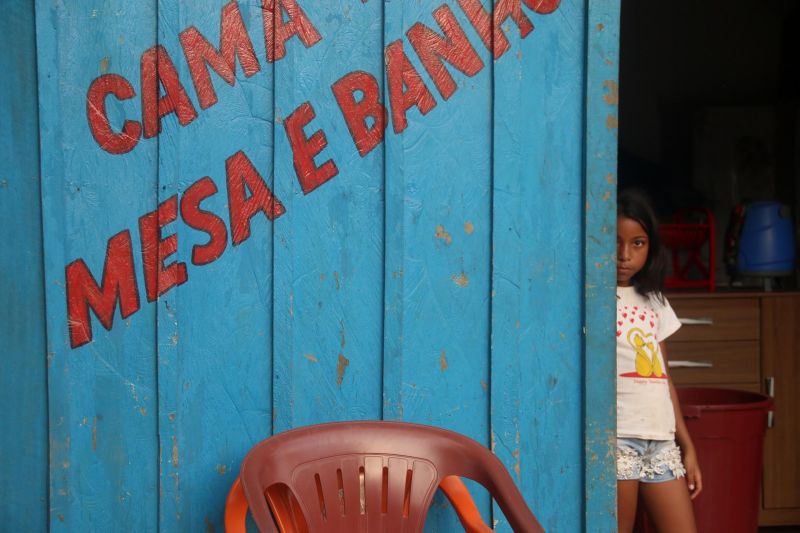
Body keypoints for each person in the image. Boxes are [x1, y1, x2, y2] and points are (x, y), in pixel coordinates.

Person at [615, 189, 703, 532]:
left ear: (651, 247)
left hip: (660, 440)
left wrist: (686, 444)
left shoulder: (654, 300)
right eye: (615, 241)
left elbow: (664, 378)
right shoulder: (591, 297)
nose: (624, 255)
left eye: (637, 243)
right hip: (618, 439)